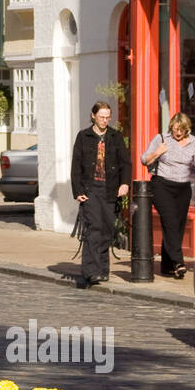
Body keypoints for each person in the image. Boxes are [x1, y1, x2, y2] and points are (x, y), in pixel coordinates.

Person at [141, 112, 195, 279]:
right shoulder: (162, 139)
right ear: (171, 126)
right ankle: (179, 262)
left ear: (187, 130)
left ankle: (167, 266)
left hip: (183, 189)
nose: (178, 133)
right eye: (175, 129)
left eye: (182, 130)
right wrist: (158, 152)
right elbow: (144, 160)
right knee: (170, 221)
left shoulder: (192, 142)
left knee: (177, 227)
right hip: (162, 186)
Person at [71, 101, 129, 286]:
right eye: (101, 117)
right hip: (91, 189)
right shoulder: (84, 136)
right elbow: (76, 165)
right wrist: (78, 190)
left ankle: (103, 270)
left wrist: (125, 184)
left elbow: (125, 163)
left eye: (107, 117)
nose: (105, 120)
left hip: (110, 188)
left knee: (106, 229)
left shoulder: (115, 137)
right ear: (93, 116)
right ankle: (91, 270)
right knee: (94, 228)